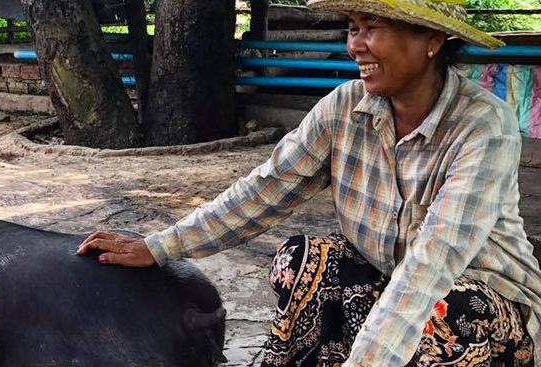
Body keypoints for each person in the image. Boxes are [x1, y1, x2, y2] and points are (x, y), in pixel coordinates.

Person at [77, 0, 541, 365]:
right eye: (353, 27)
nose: (355, 45)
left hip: (481, 300)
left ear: (432, 40)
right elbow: (264, 190)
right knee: (301, 262)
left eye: (371, 28)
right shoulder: (345, 108)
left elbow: (433, 265)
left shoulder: (483, 125)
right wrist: (158, 247)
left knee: (438, 318)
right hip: (390, 280)